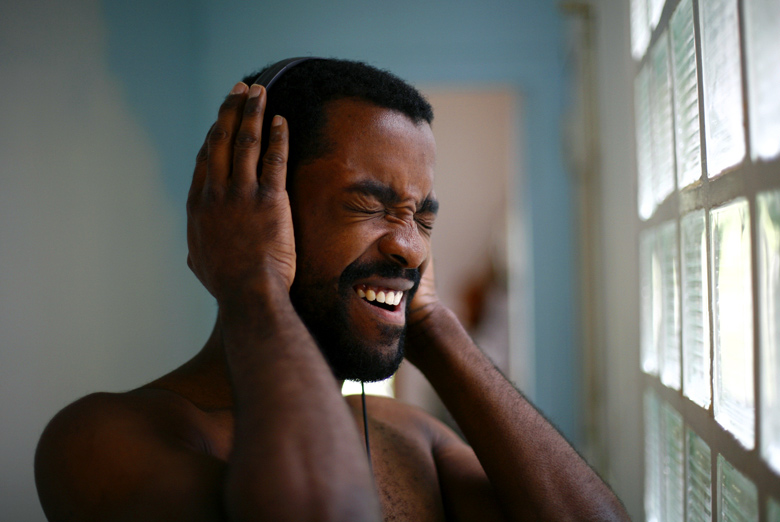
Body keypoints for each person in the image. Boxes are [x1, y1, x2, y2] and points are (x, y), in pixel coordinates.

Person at [34, 58, 629, 521]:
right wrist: (253, 280)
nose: (411, 247)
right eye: (369, 204)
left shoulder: (413, 436)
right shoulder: (103, 437)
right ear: (254, 206)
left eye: (422, 218)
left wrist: (432, 324)